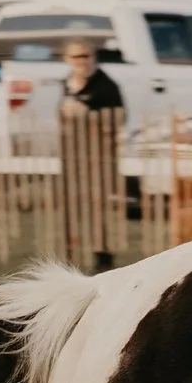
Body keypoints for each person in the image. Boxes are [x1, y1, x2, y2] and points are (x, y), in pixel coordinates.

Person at [57, 38, 123, 270]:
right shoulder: (66, 83)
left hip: (99, 157)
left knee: (98, 207)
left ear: (93, 58)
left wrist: (88, 114)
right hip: (72, 154)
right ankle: (69, 255)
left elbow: (118, 118)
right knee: (70, 206)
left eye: (85, 56)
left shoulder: (106, 85)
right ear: (67, 59)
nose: (81, 61)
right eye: (76, 57)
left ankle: (102, 256)